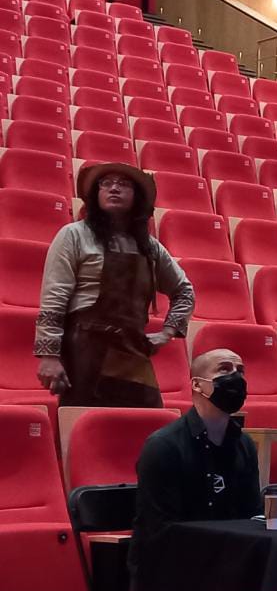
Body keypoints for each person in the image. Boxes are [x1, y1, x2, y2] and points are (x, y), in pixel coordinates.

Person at [35, 162, 194, 407]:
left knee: (148, 423)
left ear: (137, 197)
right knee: (86, 423)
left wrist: (167, 333)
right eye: (106, 183)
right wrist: (49, 355)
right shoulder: (73, 234)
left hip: (133, 353)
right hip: (85, 352)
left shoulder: (150, 247)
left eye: (124, 184)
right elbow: (54, 297)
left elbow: (184, 291)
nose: (114, 188)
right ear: (96, 194)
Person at [131, 348, 260, 591]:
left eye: (241, 371)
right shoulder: (164, 445)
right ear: (197, 384)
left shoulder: (244, 444)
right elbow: (157, 529)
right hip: (175, 571)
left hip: (230, 567)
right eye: (224, 369)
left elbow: (251, 515)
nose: (236, 377)